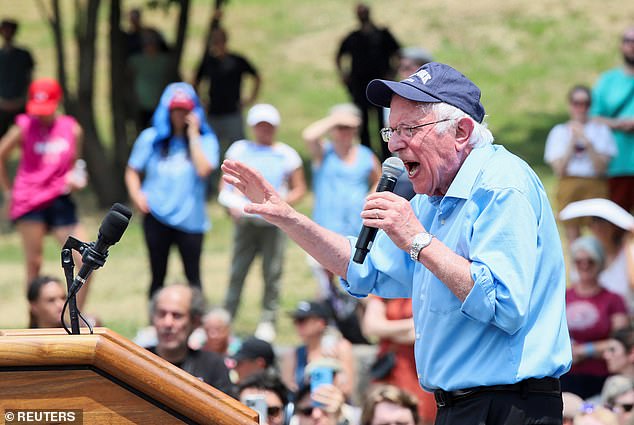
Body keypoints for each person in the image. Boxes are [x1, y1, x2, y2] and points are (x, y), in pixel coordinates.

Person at [221, 61, 572, 424]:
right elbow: (365, 269)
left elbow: (504, 302)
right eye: (392, 130)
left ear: (462, 131)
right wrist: (287, 217)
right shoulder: (431, 200)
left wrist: (418, 240)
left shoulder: (501, 185)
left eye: (410, 129)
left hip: (510, 407)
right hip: (459, 407)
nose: (395, 144)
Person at [0, 78, 91, 308]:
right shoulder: (23, 126)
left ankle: (73, 317)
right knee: (34, 263)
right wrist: (8, 193)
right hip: (29, 201)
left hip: (60, 200)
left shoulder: (72, 129)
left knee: (87, 260)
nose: (41, 115)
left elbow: (75, 165)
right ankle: (37, 319)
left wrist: (78, 179)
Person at [220, 103, 306, 342]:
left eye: (268, 126)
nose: (264, 130)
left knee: (272, 272)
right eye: (260, 126)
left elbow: (299, 189)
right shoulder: (239, 149)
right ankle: (227, 316)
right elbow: (225, 185)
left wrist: (281, 204)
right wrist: (231, 206)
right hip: (245, 221)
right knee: (238, 270)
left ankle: (268, 320)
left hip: (273, 224)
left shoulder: (286, 154)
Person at [125, 82, 219, 299]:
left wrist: (193, 135)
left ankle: (196, 324)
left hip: (190, 218)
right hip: (156, 215)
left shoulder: (205, 139)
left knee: (193, 276)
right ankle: (154, 323)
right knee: (158, 275)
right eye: (175, 109)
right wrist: (137, 195)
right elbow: (132, 170)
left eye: (185, 109)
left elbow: (204, 170)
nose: (180, 114)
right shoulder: (151, 138)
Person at [302, 103, 380, 344]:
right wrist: (335, 120)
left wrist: (370, 199)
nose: (344, 132)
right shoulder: (324, 153)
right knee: (326, 288)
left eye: (349, 128)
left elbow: (380, 178)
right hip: (325, 230)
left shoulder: (365, 155)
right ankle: (329, 332)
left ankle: (360, 333)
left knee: (358, 284)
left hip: (356, 231)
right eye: (340, 128)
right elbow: (308, 135)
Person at [544, 85, 617, 243]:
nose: (581, 108)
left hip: (594, 183)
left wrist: (587, 142)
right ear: (570, 105)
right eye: (577, 103)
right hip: (569, 182)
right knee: (572, 234)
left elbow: (601, 169)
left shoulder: (601, 130)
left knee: (599, 233)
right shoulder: (559, 132)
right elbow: (560, 170)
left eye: (586, 103)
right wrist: (572, 141)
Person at [563, 235, 629, 399]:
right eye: (579, 261)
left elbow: (621, 342)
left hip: (600, 378)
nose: (584, 265)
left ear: (599, 262)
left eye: (590, 261)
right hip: (566, 376)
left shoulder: (613, 299)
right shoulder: (562, 296)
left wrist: (585, 350)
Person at [336, 3, 400, 161]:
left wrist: (392, 73)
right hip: (360, 87)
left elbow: (397, 52)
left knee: (383, 123)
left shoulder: (382, 34)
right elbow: (339, 55)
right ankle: (368, 158)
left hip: (380, 85)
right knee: (363, 124)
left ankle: (386, 156)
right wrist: (343, 74)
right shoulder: (353, 37)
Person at [362, 296, 436, 424]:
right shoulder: (386, 289)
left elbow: (430, 331)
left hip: (421, 372)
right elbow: (370, 327)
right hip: (391, 373)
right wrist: (414, 325)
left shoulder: (428, 288)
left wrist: (388, 332)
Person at [147, 284, 234, 395]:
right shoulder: (136, 360)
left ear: (195, 321)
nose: (167, 323)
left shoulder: (212, 366)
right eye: (162, 314)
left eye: (177, 315)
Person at [194, 26, 261, 158]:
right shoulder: (208, 62)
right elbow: (195, 82)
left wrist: (251, 98)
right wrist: (201, 101)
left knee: (240, 150)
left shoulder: (237, 60)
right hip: (213, 113)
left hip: (233, 112)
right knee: (212, 152)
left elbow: (256, 77)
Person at [560, 198, 634, 312]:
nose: (599, 228)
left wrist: (629, 240)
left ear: (613, 226)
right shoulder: (584, 254)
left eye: (603, 223)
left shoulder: (627, 251)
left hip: (624, 320)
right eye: (594, 223)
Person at [590, 26, 634, 213]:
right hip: (617, 164)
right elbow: (593, 117)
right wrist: (618, 123)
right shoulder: (608, 81)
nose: (632, 46)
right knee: (617, 223)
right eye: (628, 41)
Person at [280, 301, 355, 400]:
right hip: (305, 410)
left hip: (333, 407)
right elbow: (287, 391)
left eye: (302, 320)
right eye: (295, 321)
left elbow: (347, 389)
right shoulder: (292, 354)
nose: (298, 326)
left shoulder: (340, 347)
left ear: (321, 323)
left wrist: (332, 365)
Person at [127, 27, 174, 132]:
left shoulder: (165, 60)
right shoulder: (135, 60)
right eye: (146, 42)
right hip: (141, 106)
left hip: (160, 105)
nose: (149, 45)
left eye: (152, 41)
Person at [0, 19, 35, 138]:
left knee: (26, 137)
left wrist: (26, 98)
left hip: (20, 104)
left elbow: (30, 77)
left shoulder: (23, 55)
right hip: (2, 105)